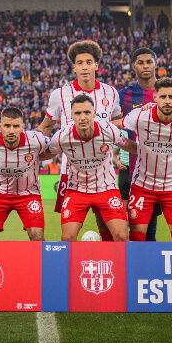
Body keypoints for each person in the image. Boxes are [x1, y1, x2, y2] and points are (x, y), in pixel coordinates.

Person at [38, 40, 123, 241]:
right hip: (72, 172)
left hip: (103, 170)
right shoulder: (60, 94)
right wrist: (34, 149)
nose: (85, 67)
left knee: (107, 223)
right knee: (69, 232)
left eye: (89, 62)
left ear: (96, 65)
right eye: (80, 63)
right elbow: (46, 126)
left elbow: (117, 122)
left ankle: (108, 264)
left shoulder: (110, 92)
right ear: (73, 67)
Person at [118, 47, 172, 240]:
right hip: (134, 171)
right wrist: (124, 151)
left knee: (166, 229)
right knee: (140, 229)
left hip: (168, 172)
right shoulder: (125, 95)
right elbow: (112, 127)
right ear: (133, 66)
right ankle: (142, 267)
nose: (145, 66)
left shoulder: (171, 92)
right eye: (140, 62)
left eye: (149, 61)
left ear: (156, 63)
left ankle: (155, 265)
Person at [122, 77, 172, 242]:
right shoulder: (139, 116)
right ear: (154, 97)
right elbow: (116, 128)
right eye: (163, 97)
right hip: (142, 186)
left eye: (171, 97)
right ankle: (139, 268)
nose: (167, 101)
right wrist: (128, 149)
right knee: (136, 237)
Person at [47, 95, 130, 242]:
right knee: (67, 238)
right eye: (78, 113)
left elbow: (126, 145)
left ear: (94, 113)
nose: (83, 117)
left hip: (106, 188)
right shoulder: (61, 137)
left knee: (122, 236)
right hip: (77, 190)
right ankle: (72, 265)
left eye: (87, 112)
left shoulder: (109, 130)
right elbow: (46, 153)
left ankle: (116, 264)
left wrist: (147, 149)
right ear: (71, 115)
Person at [0, 106, 51, 241]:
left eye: (16, 126)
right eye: (7, 126)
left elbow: (55, 147)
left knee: (37, 236)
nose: (11, 131)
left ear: (23, 126)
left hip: (28, 194)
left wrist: (39, 156)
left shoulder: (37, 140)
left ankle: (37, 263)